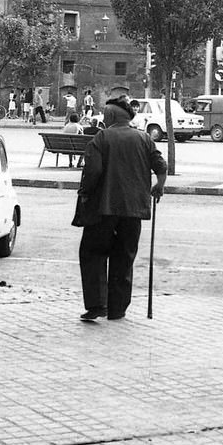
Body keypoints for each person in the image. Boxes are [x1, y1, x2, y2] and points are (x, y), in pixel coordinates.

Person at [74, 95, 167, 322]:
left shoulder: (101, 138)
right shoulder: (144, 139)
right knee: (124, 257)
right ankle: (117, 309)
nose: (104, 116)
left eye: (106, 113)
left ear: (112, 116)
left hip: (103, 209)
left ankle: (97, 304)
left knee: (93, 253)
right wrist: (159, 186)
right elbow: (161, 165)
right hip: (133, 210)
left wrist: (85, 192)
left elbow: (93, 172)